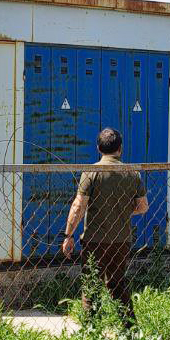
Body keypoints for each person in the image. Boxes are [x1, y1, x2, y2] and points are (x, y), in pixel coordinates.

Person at [63, 127, 147, 324]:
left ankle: (91, 329)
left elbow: (78, 206)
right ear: (120, 148)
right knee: (118, 284)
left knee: (91, 285)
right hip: (121, 239)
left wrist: (68, 235)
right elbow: (143, 207)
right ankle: (129, 327)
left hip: (95, 240)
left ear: (98, 148)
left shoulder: (92, 172)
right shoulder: (132, 173)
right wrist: (122, 210)